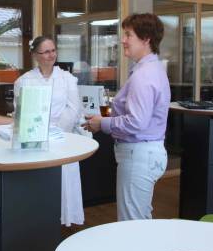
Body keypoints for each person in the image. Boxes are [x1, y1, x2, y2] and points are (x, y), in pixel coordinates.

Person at [83, 13, 171, 221]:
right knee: (139, 218)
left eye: (128, 35)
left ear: (146, 39)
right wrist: (104, 117)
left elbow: (136, 122)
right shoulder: (150, 69)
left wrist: (102, 123)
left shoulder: (144, 75)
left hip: (139, 154)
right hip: (146, 153)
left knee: (132, 223)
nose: (123, 40)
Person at [15, 36, 84, 227]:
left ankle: (64, 220)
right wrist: (39, 132)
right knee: (38, 184)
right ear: (35, 55)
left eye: (53, 50)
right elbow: (22, 113)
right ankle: (39, 221)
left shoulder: (67, 79)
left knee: (64, 182)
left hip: (63, 138)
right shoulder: (24, 81)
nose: (51, 55)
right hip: (35, 140)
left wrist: (54, 132)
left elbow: (73, 109)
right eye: (46, 52)